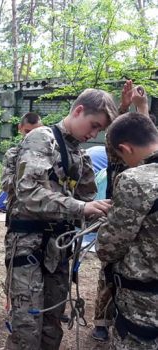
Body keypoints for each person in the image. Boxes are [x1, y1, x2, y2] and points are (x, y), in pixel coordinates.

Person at [4, 88, 117, 350]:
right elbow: (28, 192)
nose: (93, 134)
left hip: (58, 252)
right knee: (27, 330)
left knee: (52, 327)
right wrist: (80, 207)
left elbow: (88, 195)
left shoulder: (78, 152)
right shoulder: (42, 139)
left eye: (99, 130)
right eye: (93, 125)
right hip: (28, 249)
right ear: (78, 111)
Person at [92, 81, 150, 342]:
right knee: (108, 275)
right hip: (118, 215)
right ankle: (102, 320)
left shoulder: (139, 174)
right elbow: (128, 135)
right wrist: (128, 107)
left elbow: (144, 136)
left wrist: (142, 107)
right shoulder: (120, 159)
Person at [1, 112, 42, 303]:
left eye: (36, 132)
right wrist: (27, 180)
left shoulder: (48, 155)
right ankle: (12, 301)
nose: (31, 136)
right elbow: (6, 184)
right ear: (20, 130)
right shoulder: (13, 154)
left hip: (40, 220)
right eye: (27, 132)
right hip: (18, 218)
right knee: (15, 262)